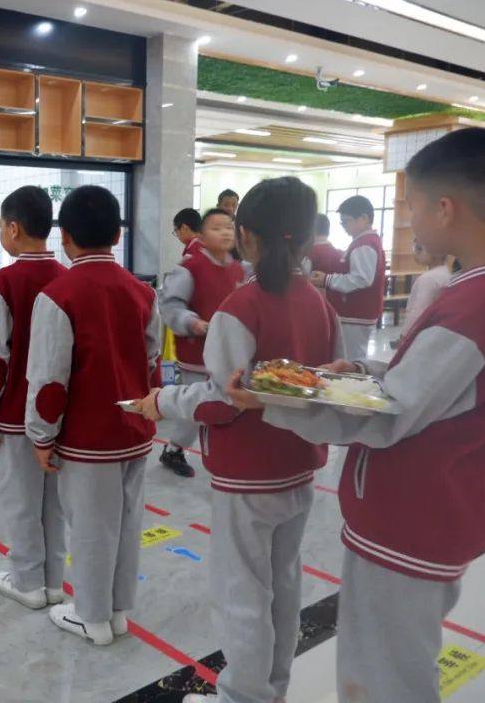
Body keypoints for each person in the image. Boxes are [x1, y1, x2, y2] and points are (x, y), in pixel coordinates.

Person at [227, 127, 485, 703]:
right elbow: (435, 390)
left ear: (446, 208)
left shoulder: (472, 304)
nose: (411, 220)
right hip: (443, 507)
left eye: (413, 206)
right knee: (394, 661)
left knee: (382, 676)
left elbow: (388, 416)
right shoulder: (467, 292)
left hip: (412, 515)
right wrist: (365, 373)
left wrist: (275, 399)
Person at [140, 177, 342, 703]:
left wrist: (162, 401)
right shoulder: (318, 303)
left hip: (248, 473)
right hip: (299, 464)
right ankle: (271, 688)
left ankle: (244, 695)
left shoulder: (241, 306)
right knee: (283, 584)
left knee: (242, 592)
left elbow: (222, 398)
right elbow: (328, 381)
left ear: (246, 235)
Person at [26, 185, 161, 646]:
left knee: (89, 527)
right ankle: (118, 610)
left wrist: (42, 436)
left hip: (86, 436)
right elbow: (151, 360)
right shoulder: (143, 292)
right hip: (136, 429)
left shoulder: (57, 295)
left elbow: (49, 379)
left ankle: (91, 616)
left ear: (64, 236)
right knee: (126, 523)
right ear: (118, 234)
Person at [0, 185, 68, 608]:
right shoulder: (67, 278)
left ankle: (27, 581)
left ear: (13, 228)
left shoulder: (3, 284)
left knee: (19, 500)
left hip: (12, 413)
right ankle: (54, 581)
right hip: (60, 414)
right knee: (55, 503)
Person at [157, 207, 243, 478]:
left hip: (229, 353)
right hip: (198, 352)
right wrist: (192, 322)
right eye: (216, 228)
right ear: (202, 237)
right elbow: (170, 305)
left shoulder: (239, 268)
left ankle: (222, 452)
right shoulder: (189, 267)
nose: (225, 233)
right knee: (197, 406)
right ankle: (173, 449)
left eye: (228, 227)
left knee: (228, 404)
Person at [311, 195, 386, 361]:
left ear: (364, 218)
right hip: (355, 314)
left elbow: (361, 279)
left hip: (356, 315)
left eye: (346, 221)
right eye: (342, 222)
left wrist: (327, 280)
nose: (344, 226)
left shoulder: (364, 244)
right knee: (349, 356)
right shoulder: (363, 241)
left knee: (350, 359)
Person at [398, 240, 452, 343]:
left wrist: (404, 335)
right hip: (435, 330)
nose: (416, 253)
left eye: (419, 249)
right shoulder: (446, 273)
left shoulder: (428, 278)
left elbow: (418, 311)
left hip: (421, 333)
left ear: (435, 252)